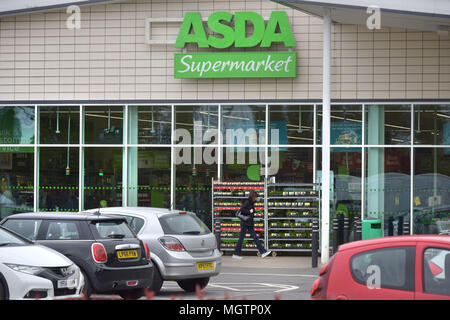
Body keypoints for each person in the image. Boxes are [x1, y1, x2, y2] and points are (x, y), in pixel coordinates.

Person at [233, 190, 271, 259]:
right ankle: (236, 254)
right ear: (253, 197)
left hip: (249, 223)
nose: (256, 199)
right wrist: (249, 211)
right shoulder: (247, 202)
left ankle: (263, 252)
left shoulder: (251, 203)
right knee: (242, 238)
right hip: (245, 223)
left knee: (255, 238)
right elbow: (241, 210)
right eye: (256, 197)